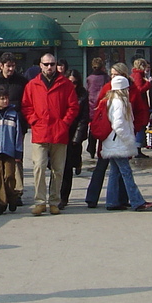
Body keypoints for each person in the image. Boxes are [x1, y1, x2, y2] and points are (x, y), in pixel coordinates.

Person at [21, 53, 79, 216]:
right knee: (39, 167)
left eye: (52, 64)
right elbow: (26, 106)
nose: (49, 67)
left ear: (56, 65)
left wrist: (64, 122)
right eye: (46, 64)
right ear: (40, 65)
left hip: (59, 132)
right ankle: (40, 202)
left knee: (58, 169)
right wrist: (34, 121)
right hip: (40, 132)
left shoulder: (66, 84)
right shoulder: (32, 85)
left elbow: (73, 107)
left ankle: (54, 201)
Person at [99, 76, 152, 211]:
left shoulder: (111, 100)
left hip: (112, 141)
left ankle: (112, 201)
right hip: (118, 142)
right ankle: (137, 201)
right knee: (126, 172)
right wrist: (128, 139)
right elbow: (118, 124)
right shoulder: (119, 102)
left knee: (115, 172)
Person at [0, 54, 30, 207]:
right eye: (8, 66)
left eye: (13, 66)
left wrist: (24, 118)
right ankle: (2, 197)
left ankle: (17, 192)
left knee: (16, 160)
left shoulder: (21, 81)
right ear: (1, 66)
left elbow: (28, 101)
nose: (10, 69)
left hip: (16, 124)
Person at [58, 63, 89, 209]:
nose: (73, 85)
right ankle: (55, 194)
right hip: (60, 132)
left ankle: (64, 197)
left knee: (67, 167)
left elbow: (84, 118)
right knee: (56, 166)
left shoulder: (82, 95)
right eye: (70, 82)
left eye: (75, 83)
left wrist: (77, 138)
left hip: (74, 132)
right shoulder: (60, 92)